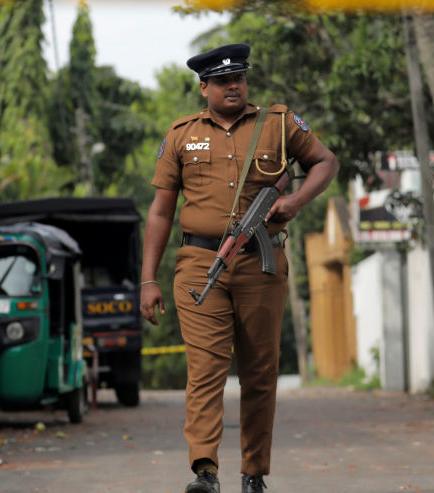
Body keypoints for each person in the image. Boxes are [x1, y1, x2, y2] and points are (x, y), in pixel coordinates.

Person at [139, 43, 338, 493]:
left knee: (260, 371)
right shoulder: (181, 135)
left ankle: (253, 472)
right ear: (204, 86)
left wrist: (294, 200)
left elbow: (325, 162)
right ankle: (205, 471)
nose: (234, 86)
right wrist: (148, 279)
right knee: (205, 369)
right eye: (224, 81)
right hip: (197, 264)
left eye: (240, 78)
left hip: (261, 264)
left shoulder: (279, 125)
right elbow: (159, 213)